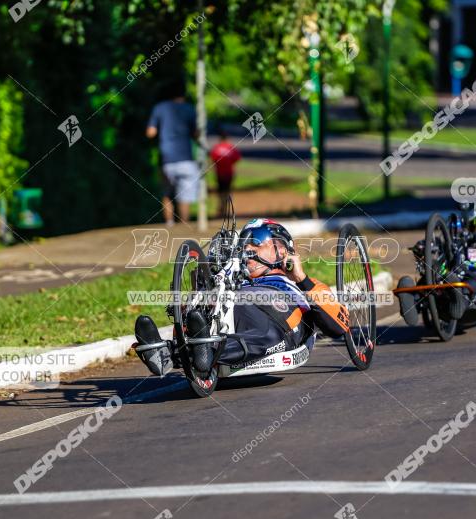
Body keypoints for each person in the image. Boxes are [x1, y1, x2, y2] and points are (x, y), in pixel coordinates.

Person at [133, 218, 350, 377]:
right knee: (202, 310)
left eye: (257, 242)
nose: (247, 248)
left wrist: (302, 279)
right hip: (238, 310)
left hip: (279, 320)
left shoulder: (299, 284)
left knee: (267, 334)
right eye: (244, 244)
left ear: (282, 250)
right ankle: (164, 351)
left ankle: (197, 351)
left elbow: (338, 326)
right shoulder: (234, 280)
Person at [147, 81, 199, 227]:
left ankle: (169, 223)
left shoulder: (159, 108)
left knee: (167, 193)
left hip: (167, 158)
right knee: (185, 196)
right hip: (186, 159)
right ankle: (184, 225)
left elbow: (150, 132)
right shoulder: (190, 109)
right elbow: (196, 134)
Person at [209, 130, 241, 217]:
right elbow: (236, 159)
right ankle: (226, 209)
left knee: (221, 192)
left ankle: (222, 209)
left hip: (219, 173)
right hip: (229, 173)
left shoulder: (216, 148)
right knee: (228, 192)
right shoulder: (231, 147)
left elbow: (212, 159)